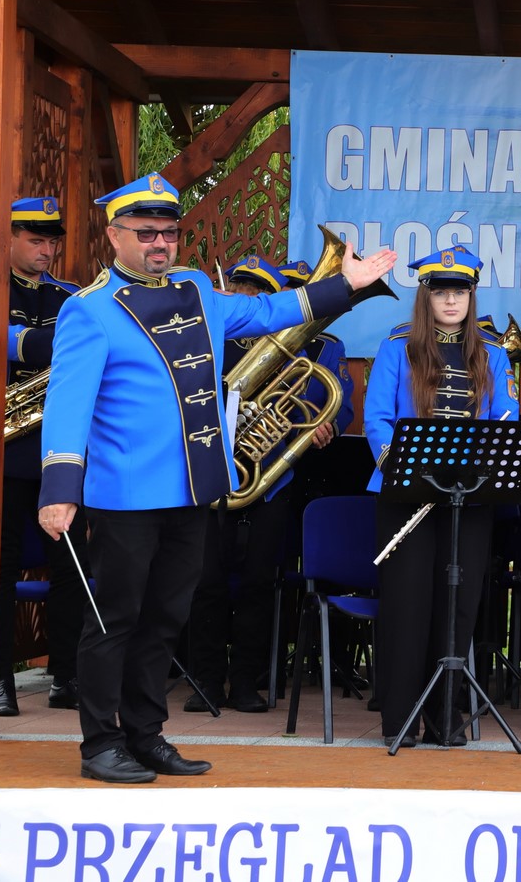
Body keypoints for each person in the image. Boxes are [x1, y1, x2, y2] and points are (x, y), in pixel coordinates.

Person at [37, 172, 396, 783]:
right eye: (146, 232)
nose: (160, 243)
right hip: (125, 495)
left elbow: (268, 310)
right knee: (114, 622)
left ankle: (145, 735)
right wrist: (59, 490)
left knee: (165, 620)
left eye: (169, 233)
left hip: (191, 489)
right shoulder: (89, 310)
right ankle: (100, 743)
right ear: (114, 235)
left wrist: (346, 285)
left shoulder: (197, 289)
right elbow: (67, 406)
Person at [184, 255, 353, 714]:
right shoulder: (209, 339)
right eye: (240, 286)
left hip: (270, 478)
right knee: (206, 583)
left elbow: (338, 403)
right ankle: (205, 680)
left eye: (257, 290)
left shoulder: (307, 347)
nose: (245, 294)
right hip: (210, 476)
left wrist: (327, 426)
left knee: (260, 583)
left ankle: (246, 682)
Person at [364, 247, 518, 747]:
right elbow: (377, 419)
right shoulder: (398, 347)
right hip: (406, 496)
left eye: (460, 292)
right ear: (426, 297)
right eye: (441, 292)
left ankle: (444, 714)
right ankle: (401, 717)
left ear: (471, 297)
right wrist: (403, 470)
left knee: (458, 606)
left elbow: (505, 419)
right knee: (407, 605)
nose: (451, 300)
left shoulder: (493, 353)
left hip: (467, 500)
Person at [0, 197, 86, 716]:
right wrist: (65, 342)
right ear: (8, 237)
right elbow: (10, 345)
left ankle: (66, 676)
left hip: (60, 449)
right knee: (0, 567)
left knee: (71, 565)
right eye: (35, 240)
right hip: (4, 451)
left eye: (52, 241)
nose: (47, 250)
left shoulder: (69, 295)